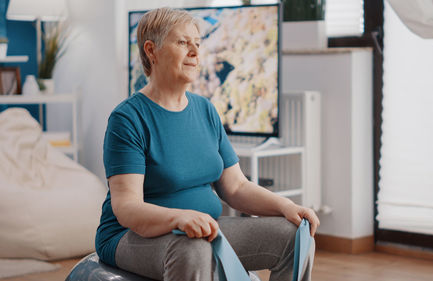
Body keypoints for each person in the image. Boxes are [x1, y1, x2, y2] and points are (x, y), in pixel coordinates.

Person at [95, 7, 320, 281]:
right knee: (192, 248)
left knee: (293, 236)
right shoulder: (128, 118)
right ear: (151, 51)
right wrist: (178, 218)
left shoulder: (205, 110)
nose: (195, 52)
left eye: (197, 44)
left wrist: (285, 206)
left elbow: (236, 187)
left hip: (204, 231)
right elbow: (127, 208)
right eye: (182, 42)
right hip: (131, 237)